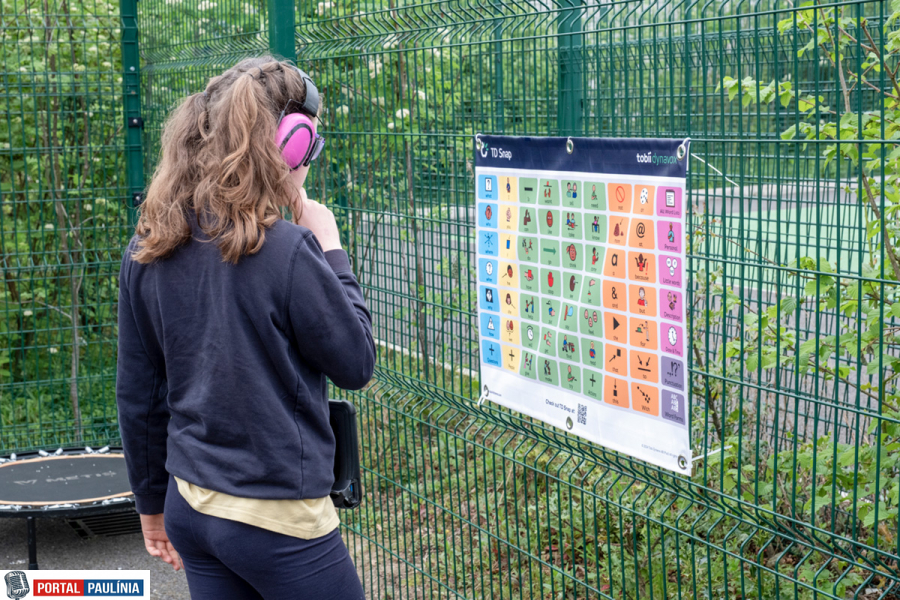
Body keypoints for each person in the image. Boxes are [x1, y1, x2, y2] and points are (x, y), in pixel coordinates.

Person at [116, 56, 374, 600]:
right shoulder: (289, 249)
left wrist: (150, 505)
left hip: (191, 505)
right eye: (311, 145)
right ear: (290, 144)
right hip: (277, 522)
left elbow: (139, 392)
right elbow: (356, 362)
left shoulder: (147, 245)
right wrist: (330, 244)